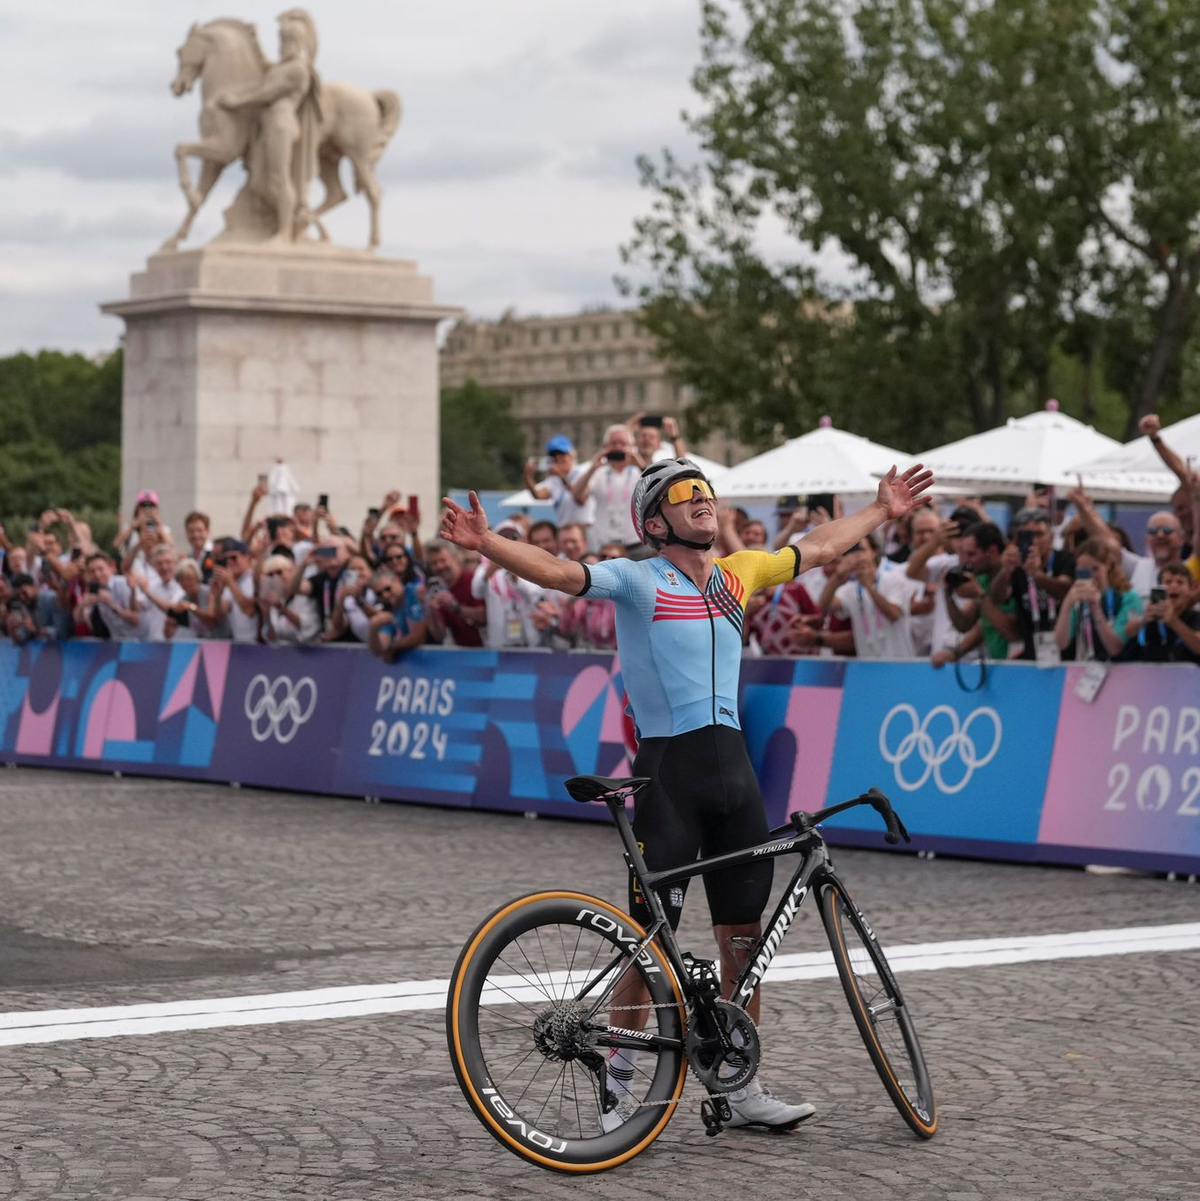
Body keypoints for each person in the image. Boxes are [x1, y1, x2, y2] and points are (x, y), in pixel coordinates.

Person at [440, 455, 933, 1131]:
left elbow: (817, 548)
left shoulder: (740, 571)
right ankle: (618, 1082)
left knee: (743, 939)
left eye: (704, 489)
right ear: (653, 520)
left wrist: (882, 510)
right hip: (668, 773)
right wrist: (487, 541)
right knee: (648, 941)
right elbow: (560, 572)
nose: (701, 499)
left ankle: (738, 1086)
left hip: (735, 772)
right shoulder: (639, 581)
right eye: (683, 493)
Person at [985, 507, 1075, 662]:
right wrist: (1005, 571)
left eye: (1039, 534)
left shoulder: (1065, 559)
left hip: (1068, 653)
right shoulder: (1015, 565)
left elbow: (1064, 590)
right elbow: (996, 598)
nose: (1033, 540)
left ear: (1052, 537)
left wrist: (1037, 574)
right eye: (1026, 535)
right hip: (1031, 653)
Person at [1053, 538, 1142, 662]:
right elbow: (1061, 643)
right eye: (1083, 571)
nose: (1091, 576)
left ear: (1107, 565)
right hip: (1091, 670)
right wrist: (1067, 604)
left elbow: (1114, 648)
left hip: (1126, 671)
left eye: (1095, 569)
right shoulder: (1078, 599)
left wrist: (1096, 609)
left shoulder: (1128, 598)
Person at [570, 424, 643, 551]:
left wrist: (640, 463)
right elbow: (577, 494)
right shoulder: (598, 472)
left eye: (623, 443)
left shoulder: (640, 471)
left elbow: (656, 488)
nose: (618, 447)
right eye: (613, 443)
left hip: (635, 543)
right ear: (605, 447)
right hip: (604, 545)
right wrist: (593, 467)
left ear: (632, 446)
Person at [1118, 562, 1200, 664]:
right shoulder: (1153, 616)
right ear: (1159, 588)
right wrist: (1143, 620)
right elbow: (1127, 632)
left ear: (1190, 590)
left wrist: (1173, 621)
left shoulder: (1195, 616)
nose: (1174, 586)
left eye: (1180, 582)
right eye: (1168, 582)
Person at [523, 435, 596, 535]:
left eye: (562, 454)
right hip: (564, 530)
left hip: (585, 530)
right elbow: (538, 495)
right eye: (554, 456)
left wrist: (561, 476)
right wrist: (528, 477)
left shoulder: (582, 473)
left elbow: (581, 498)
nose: (558, 459)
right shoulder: (553, 480)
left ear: (571, 455)